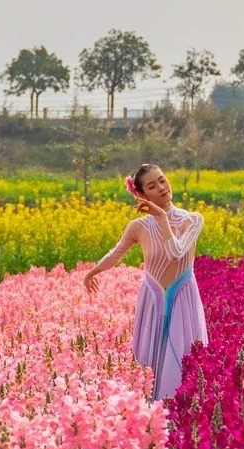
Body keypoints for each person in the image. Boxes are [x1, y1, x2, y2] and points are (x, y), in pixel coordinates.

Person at [83, 165, 205, 399]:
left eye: (162, 180)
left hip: (182, 296)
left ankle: (180, 411)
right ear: (141, 195)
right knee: (150, 361)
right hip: (152, 297)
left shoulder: (192, 220)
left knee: (183, 356)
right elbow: (116, 253)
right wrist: (93, 272)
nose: (161, 188)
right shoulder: (138, 227)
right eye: (152, 186)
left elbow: (176, 253)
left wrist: (160, 216)